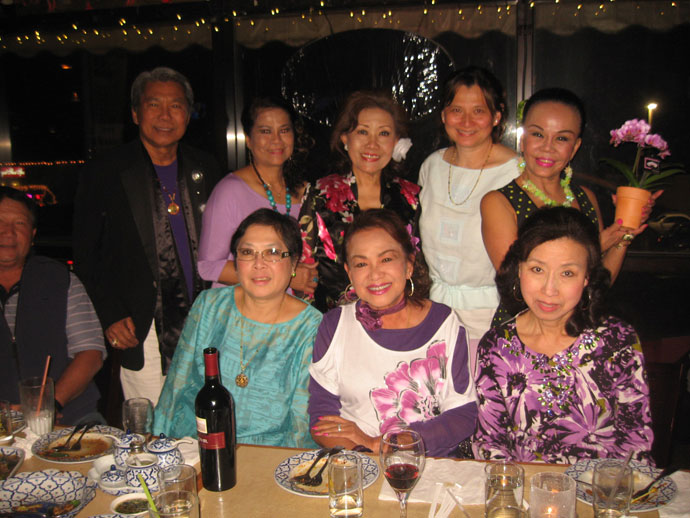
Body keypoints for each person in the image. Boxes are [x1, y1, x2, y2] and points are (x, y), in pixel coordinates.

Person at [73, 67, 222, 405]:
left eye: (176, 106)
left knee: (207, 416)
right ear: (135, 113)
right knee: (154, 422)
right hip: (142, 324)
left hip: (204, 320)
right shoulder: (105, 172)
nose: (165, 115)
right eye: (154, 105)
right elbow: (86, 254)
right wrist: (110, 313)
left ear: (188, 114)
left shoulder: (206, 167)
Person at [474, 207, 654, 464]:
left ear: (587, 278)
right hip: (521, 486)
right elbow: (489, 443)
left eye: (567, 273)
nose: (550, 289)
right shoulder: (496, 347)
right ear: (519, 269)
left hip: (601, 486)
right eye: (537, 269)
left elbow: (636, 443)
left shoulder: (616, 341)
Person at [481, 88, 657, 326]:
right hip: (523, 331)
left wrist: (624, 235)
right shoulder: (499, 202)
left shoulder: (585, 197)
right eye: (538, 134)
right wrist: (596, 247)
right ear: (523, 139)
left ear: (575, 147)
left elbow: (597, 282)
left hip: (577, 327)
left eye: (562, 138)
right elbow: (515, 284)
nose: (548, 147)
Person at [308, 209, 477, 458]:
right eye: (361, 264)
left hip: (432, 464)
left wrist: (390, 443)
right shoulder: (335, 325)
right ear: (349, 273)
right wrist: (365, 454)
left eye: (386, 259)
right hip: (357, 462)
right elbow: (322, 418)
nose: (374, 274)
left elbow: (463, 414)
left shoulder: (445, 322)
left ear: (409, 265)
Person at [154, 209, 322, 447]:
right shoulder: (210, 305)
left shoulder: (311, 326)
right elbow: (177, 383)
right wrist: (159, 440)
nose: (258, 264)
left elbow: (301, 420)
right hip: (195, 441)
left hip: (266, 452)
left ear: (294, 262)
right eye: (247, 253)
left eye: (273, 253)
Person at [418, 67, 519, 368]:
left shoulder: (517, 171)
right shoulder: (431, 166)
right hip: (434, 312)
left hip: (493, 314)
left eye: (478, 111)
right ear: (443, 115)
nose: (466, 121)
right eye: (456, 110)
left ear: (496, 117)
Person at [299, 91, 420, 312]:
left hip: (396, 316)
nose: (372, 144)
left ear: (396, 142)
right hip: (332, 319)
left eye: (383, 133)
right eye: (363, 132)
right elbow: (303, 268)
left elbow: (418, 266)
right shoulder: (320, 193)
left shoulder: (410, 197)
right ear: (345, 139)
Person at [0, 187, 106, 425]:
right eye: (1, 222)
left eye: (19, 223)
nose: (8, 232)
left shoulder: (59, 279)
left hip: (69, 416)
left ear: (32, 234)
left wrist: (51, 403)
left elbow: (91, 353)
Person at [198, 97, 317, 294]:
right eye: (265, 131)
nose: (276, 140)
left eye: (284, 130)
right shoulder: (230, 191)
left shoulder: (307, 191)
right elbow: (208, 266)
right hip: (245, 308)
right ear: (248, 139)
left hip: (293, 309)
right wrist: (287, 277)